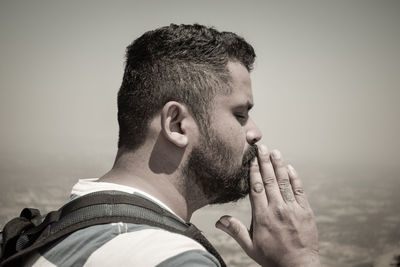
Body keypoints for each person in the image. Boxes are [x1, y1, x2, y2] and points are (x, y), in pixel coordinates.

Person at [25, 24, 320, 266]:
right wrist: (299, 260)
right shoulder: (173, 260)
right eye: (240, 114)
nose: (255, 132)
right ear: (176, 124)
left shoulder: (52, 233)